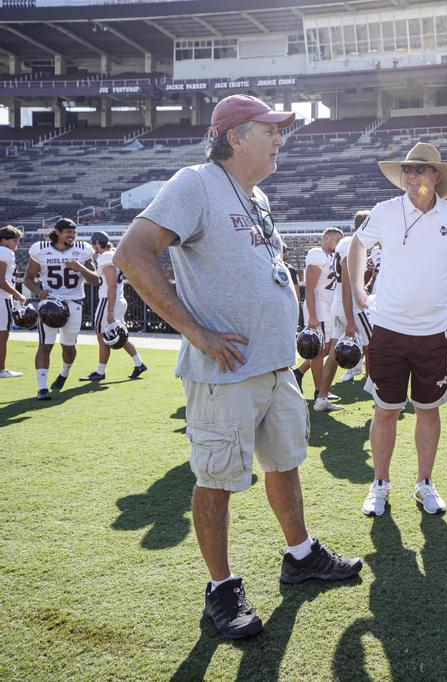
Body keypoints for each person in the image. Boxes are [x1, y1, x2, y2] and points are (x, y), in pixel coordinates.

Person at [114, 94, 361, 640]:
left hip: (273, 363)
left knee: (284, 462)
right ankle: (220, 590)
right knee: (218, 477)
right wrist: (194, 330)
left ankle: (299, 556)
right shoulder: (195, 183)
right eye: (269, 130)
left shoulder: (258, 196)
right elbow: (131, 253)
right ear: (234, 137)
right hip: (224, 368)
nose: (280, 139)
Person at [346, 142, 447, 517]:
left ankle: (424, 484)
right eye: (407, 169)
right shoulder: (384, 211)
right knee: (385, 410)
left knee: (428, 409)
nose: (410, 174)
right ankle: (380, 483)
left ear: (436, 176)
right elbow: (357, 245)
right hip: (389, 328)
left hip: (434, 331)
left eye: (418, 168)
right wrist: (357, 289)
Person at [24, 218, 100, 400]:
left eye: (74, 232)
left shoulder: (82, 251)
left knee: (68, 346)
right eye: (68, 232)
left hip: (74, 302)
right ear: (57, 232)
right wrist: (38, 291)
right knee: (45, 344)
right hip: (50, 303)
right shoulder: (41, 250)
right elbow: (28, 278)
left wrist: (80, 267)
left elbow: (96, 280)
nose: (72, 236)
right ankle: (42, 388)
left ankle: (64, 373)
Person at [81, 231, 147, 381]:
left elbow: (111, 285)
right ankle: (139, 363)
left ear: (97, 243)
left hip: (109, 300)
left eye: (94, 244)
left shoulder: (106, 257)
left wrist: (109, 310)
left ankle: (100, 371)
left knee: (102, 335)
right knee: (117, 335)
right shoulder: (114, 253)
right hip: (119, 300)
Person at [301, 227, 344, 412]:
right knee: (320, 351)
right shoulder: (317, 254)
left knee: (326, 349)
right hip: (318, 308)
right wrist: (312, 315)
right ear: (326, 238)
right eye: (336, 240)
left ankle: (299, 372)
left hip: (327, 308)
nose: (338, 245)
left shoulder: (330, 257)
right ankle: (319, 391)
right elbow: (310, 288)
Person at [334, 210, 372, 384]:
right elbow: (347, 285)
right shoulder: (353, 245)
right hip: (351, 306)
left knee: (334, 348)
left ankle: (322, 395)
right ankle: (372, 379)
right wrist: (350, 318)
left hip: (339, 304)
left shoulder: (347, 243)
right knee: (372, 343)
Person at [0, 224, 27, 379]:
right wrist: (18, 294)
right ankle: (1, 370)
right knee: (2, 336)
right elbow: (1, 280)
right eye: (15, 240)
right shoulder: (5, 252)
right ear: (4, 240)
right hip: (1, 298)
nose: (17, 243)